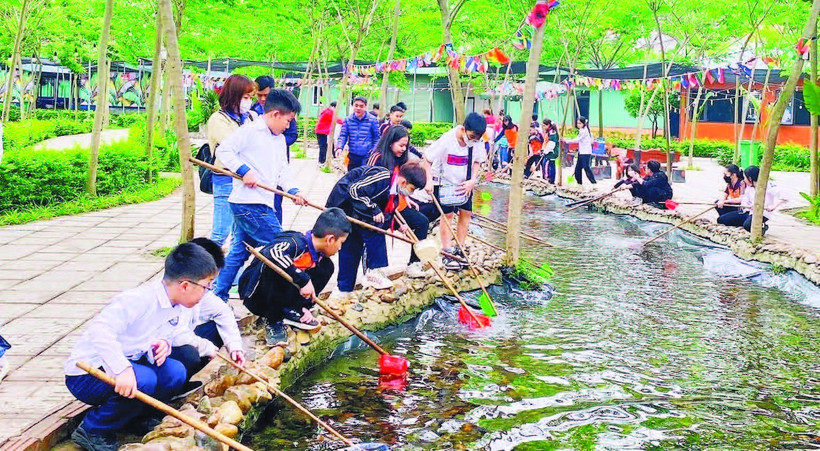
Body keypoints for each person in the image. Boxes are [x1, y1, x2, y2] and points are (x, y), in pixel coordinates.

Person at [65, 243, 218, 451]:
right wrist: (121, 369)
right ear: (185, 286)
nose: (207, 293)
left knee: (174, 371)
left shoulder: (176, 306)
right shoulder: (138, 299)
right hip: (88, 374)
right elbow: (100, 331)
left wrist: (161, 345)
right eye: (206, 287)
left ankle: (137, 417)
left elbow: (158, 336)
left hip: (130, 363)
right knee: (144, 379)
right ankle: (94, 429)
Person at [213, 89, 309, 303]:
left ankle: (218, 298)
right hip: (248, 203)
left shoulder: (280, 140)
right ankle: (282, 301)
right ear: (275, 114)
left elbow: (283, 171)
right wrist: (244, 170)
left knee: (238, 253)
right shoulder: (250, 131)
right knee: (281, 248)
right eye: (288, 120)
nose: (288, 126)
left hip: (262, 203)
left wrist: (294, 191)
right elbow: (224, 151)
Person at [239, 208, 350, 345]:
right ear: (330, 239)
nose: (340, 248)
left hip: (283, 297)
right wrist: (303, 279)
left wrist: (305, 306)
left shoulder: (321, 260)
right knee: (274, 268)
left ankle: (295, 310)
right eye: (341, 243)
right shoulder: (295, 242)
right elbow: (272, 253)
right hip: (257, 297)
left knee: (326, 268)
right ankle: (273, 319)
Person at [326, 162, 428, 297]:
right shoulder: (382, 177)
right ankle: (371, 272)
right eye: (412, 189)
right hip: (343, 204)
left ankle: (346, 288)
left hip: (358, 211)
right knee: (365, 236)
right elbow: (354, 189)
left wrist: (398, 226)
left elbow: (388, 212)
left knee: (355, 244)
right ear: (404, 181)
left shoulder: (394, 192)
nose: (411, 193)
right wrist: (373, 208)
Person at [169, 238, 245, 381]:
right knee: (190, 355)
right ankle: (175, 385)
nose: (209, 288)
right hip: (159, 348)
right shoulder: (172, 295)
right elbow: (177, 335)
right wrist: (206, 347)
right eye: (208, 282)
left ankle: (186, 377)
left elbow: (223, 312)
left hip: (179, 339)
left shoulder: (200, 292)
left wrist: (235, 347)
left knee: (215, 330)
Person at [423, 112, 487, 270]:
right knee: (448, 215)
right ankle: (447, 251)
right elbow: (427, 159)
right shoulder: (447, 139)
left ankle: (459, 248)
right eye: (471, 137)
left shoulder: (477, 141)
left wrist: (472, 181)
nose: (473, 140)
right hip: (444, 182)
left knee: (466, 213)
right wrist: (429, 181)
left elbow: (477, 162)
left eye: (477, 138)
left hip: (464, 183)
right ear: (464, 129)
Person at [367, 126, 430, 277]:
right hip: (377, 207)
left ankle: (414, 264)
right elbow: (368, 185)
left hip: (395, 204)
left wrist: (406, 196)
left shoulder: (401, 159)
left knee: (422, 222)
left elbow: (402, 182)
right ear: (390, 142)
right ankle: (373, 271)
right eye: (401, 145)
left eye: (405, 146)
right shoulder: (377, 158)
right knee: (377, 227)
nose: (403, 149)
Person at [206, 75, 257, 247]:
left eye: (250, 97)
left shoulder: (252, 117)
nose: (248, 101)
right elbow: (232, 147)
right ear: (234, 95)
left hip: (246, 181)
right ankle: (204, 263)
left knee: (240, 236)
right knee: (220, 233)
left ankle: (231, 266)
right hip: (226, 178)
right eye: (245, 97)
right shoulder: (218, 119)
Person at [252, 76, 299, 224]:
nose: (262, 99)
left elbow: (292, 134)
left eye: (265, 95)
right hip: (255, 172)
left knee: (275, 202)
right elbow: (226, 151)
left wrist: (274, 141)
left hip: (276, 163)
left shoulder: (284, 111)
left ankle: (276, 231)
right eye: (259, 95)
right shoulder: (252, 113)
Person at [717, 166, 786, 233]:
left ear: (750, 178)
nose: (744, 180)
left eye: (745, 178)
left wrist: (773, 207)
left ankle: (762, 226)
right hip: (747, 211)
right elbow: (744, 200)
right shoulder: (749, 187)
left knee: (748, 226)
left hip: (761, 214)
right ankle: (745, 222)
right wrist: (747, 205)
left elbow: (785, 196)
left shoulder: (768, 186)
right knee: (721, 220)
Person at [336, 96, 381, 171]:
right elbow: (343, 135)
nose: (358, 108)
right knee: (352, 175)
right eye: (356, 105)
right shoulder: (348, 120)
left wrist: (373, 151)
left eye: (361, 106)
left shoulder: (372, 120)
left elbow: (377, 138)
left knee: (364, 175)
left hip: (367, 156)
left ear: (365, 107)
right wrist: (339, 147)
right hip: (353, 154)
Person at [565, 116, 596, 189]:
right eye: (577, 123)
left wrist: (566, 141)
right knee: (578, 168)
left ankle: (593, 182)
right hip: (581, 152)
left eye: (580, 123)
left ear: (583, 124)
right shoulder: (582, 130)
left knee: (586, 168)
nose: (578, 125)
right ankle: (579, 183)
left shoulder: (584, 131)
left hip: (585, 152)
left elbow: (578, 139)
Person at [315, 101, 338, 166]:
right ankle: (321, 161)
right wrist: (345, 122)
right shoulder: (329, 112)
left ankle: (333, 156)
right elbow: (336, 119)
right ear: (333, 107)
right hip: (321, 131)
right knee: (323, 147)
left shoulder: (327, 111)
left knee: (330, 144)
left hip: (323, 131)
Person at [541, 119, 559, 183]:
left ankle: (549, 179)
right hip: (548, 151)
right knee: (549, 165)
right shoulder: (548, 131)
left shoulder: (552, 132)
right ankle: (550, 179)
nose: (543, 127)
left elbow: (551, 143)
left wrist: (545, 151)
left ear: (548, 125)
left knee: (548, 165)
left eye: (544, 125)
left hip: (551, 152)